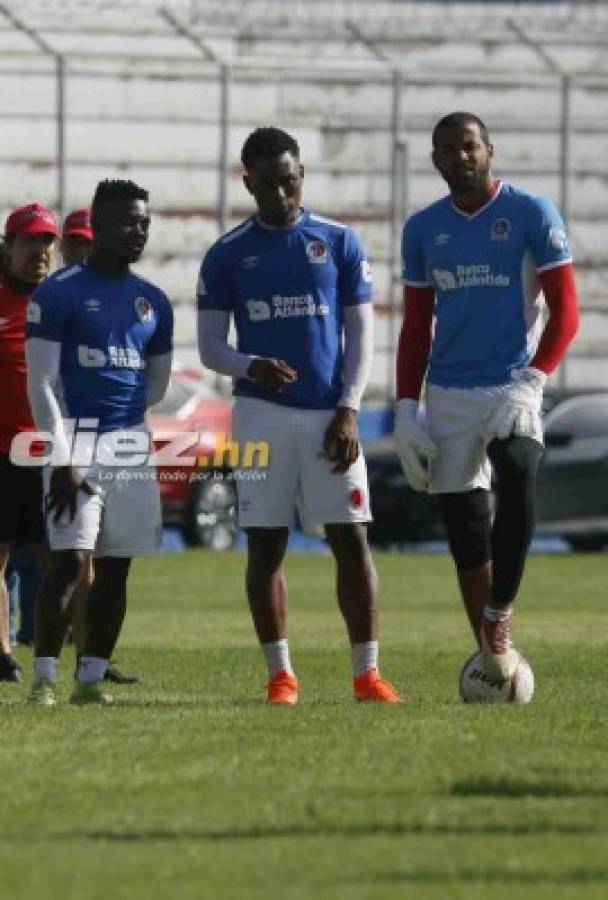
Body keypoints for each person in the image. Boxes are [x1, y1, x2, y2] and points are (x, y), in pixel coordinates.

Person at [198, 126, 401, 705]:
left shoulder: (337, 241)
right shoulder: (227, 253)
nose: (280, 196)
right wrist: (251, 365)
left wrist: (349, 409)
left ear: (301, 175)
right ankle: (281, 676)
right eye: (267, 186)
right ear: (248, 183)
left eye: (288, 182)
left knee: (351, 539)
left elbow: (361, 338)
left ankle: (367, 675)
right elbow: (212, 347)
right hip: (259, 415)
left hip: (328, 417)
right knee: (265, 545)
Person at [395, 111, 579, 680]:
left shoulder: (530, 214)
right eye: (447, 149)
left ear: (489, 150)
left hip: (511, 385)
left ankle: (500, 613)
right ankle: (493, 657)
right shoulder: (423, 229)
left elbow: (566, 314)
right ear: (435, 160)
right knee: (467, 532)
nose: (460, 157)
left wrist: (534, 379)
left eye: (469, 146)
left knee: (521, 467)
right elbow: (415, 325)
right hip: (448, 392)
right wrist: (405, 407)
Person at [24, 179, 173, 705]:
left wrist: (127, 421)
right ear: (103, 225)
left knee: (117, 565)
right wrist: (63, 455)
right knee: (68, 560)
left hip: (129, 442)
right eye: (130, 222)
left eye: (145, 223)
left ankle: (89, 679)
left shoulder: (153, 302)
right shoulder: (57, 293)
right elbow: (40, 381)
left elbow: (156, 382)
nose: (139, 232)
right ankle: (43, 678)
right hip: (76, 438)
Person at [0, 204, 59, 681]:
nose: (41, 250)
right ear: (9, 244)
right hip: (1, 450)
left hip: (51, 451)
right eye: (31, 240)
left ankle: (78, 656)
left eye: (48, 242)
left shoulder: (63, 300)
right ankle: (2, 654)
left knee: (61, 557)